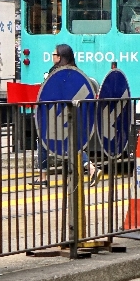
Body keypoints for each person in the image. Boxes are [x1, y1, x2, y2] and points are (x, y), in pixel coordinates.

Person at [32, 44, 99, 187]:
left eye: (54, 55)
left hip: (56, 116)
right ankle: (91, 168)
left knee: (43, 140)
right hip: (74, 116)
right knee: (72, 143)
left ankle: (43, 177)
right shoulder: (76, 72)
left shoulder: (55, 72)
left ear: (60, 57)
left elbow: (51, 94)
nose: (52, 57)